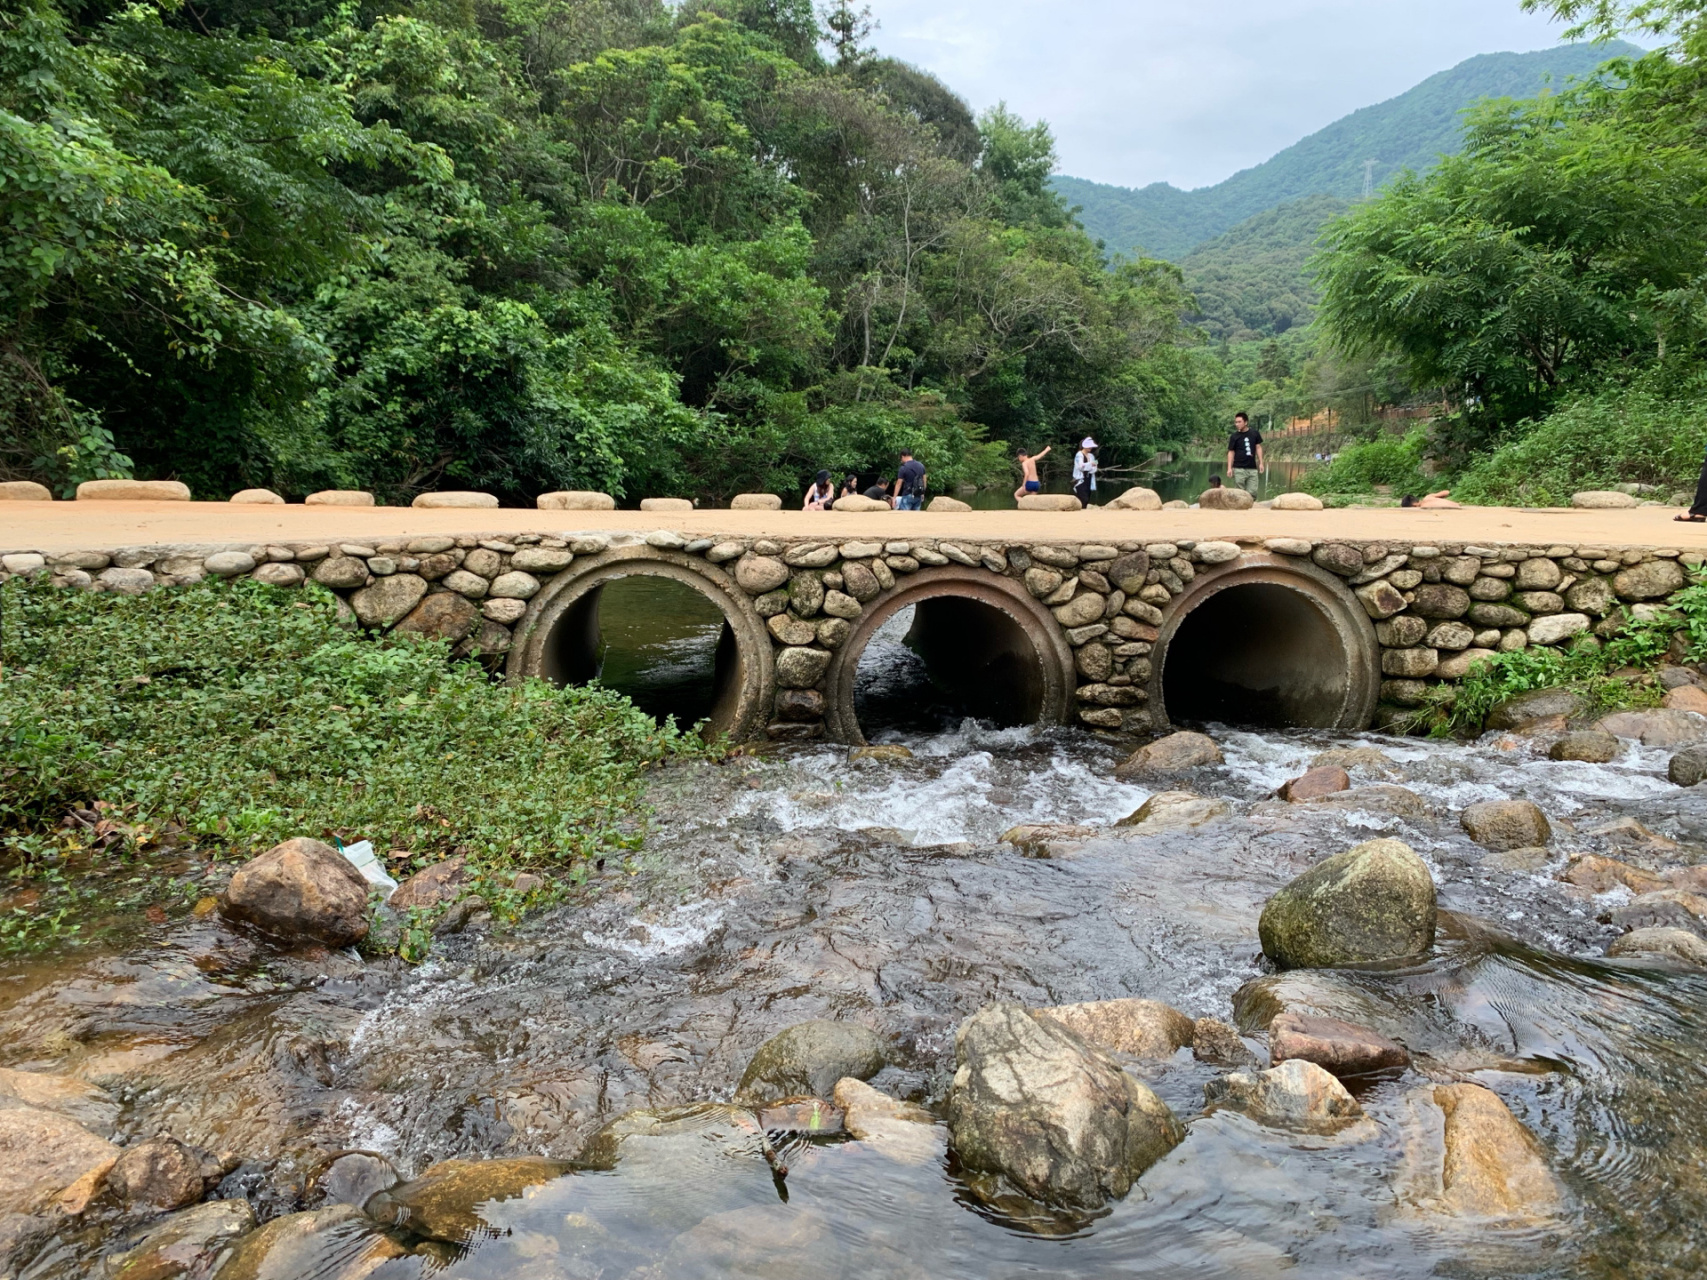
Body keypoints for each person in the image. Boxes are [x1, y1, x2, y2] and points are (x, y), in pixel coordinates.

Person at [1226, 412, 1264, 495]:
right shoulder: (1234, 436)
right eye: (1236, 422)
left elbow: (1258, 447)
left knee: (1253, 492)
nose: (1237, 424)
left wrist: (1261, 463)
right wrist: (1229, 468)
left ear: (1246, 422)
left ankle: (1250, 502)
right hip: (1238, 468)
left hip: (1252, 468)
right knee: (1239, 493)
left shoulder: (1254, 433)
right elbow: (1231, 452)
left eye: (1239, 422)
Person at [1072, 437, 1098, 507]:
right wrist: (1090, 464)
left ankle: (1084, 510)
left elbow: (1094, 467)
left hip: (1089, 478)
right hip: (1080, 479)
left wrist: (1092, 465)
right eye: (1089, 446)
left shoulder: (1091, 456)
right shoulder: (1079, 454)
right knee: (1083, 498)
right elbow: (1080, 466)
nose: (1090, 448)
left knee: (1087, 496)